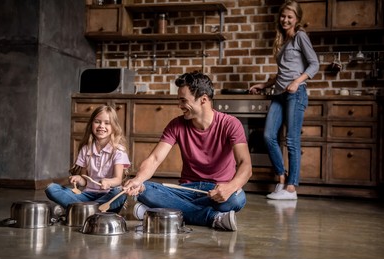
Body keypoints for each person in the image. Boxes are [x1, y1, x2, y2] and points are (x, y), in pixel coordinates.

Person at [123, 71, 252, 231]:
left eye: (183, 100)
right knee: (144, 190)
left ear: (203, 99)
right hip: (185, 190)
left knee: (236, 199)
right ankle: (212, 217)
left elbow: (245, 165)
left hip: (217, 190)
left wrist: (230, 187)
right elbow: (155, 158)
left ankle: (160, 211)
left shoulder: (231, 124)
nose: (179, 106)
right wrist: (138, 179)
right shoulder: (176, 125)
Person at [249, 0, 319, 200]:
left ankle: (291, 188)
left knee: (291, 140)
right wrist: (264, 85)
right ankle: (281, 178)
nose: (285, 20)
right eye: (283, 16)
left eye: (290, 17)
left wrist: (297, 82)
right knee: (269, 136)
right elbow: (282, 73)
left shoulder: (300, 37)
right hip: (279, 94)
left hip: (295, 94)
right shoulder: (283, 40)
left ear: (297, 19)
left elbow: (314, 64)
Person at [45, 105, 131, 213]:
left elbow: (118, 179)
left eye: (107, 123)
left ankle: (82, 210)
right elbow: (85, 180)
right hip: (87, 195)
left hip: (108, 195)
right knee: (51, 189)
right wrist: (78, 179)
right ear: (91, 124)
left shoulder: (119, 151)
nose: (101, 126)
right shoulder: (86, 149)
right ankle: (93, 211)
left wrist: (108, 182)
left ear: (114, 127)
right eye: (97, 122)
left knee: (119, 194)